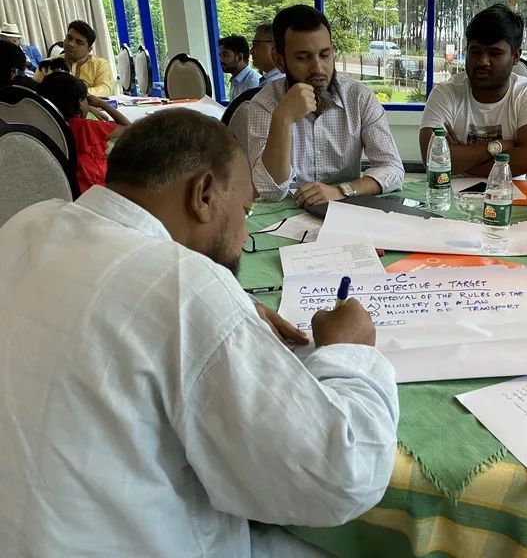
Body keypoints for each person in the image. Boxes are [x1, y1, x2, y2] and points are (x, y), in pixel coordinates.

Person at [0, 109, 399, 557]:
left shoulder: (28, 224)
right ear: (204, 194)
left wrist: (230, 308)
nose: (244, 234)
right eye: (245, 211)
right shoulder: (184, 288)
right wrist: (349, 352)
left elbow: (103, 298)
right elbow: (342, 478)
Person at [249, 4, 404, 206]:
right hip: (284, 215)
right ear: (279, 61)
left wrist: (342, 190)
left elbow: (392, 168)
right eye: (303, 58)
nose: (318, 68)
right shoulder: (264, 104)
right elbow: (271, 191)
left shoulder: (359, 97)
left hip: (345, 210)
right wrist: (283, 119)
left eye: (324, 55)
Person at [419, 4, 527, 177]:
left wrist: (458, 160)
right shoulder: (445, 93)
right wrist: (499, 146)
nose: (482, 61)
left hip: (509, 190)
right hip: (451, 191)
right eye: (475, 51)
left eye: (495, 53)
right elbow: (431, 160)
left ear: (516, 56)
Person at [37, 72, 131, 193]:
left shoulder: (50, 124)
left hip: (68, 188)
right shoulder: (86, 127)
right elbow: (130, 129)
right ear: (79, 102)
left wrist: (88, 107)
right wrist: (102, 104)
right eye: (86, 99)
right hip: (96, 189)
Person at [34, 20, 113, 96]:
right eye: (69, 38)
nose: (71, 44)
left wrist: (77, 94)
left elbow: (105, 89)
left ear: (89, 49)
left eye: (79, 42)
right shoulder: (47, 65)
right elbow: (34, 91)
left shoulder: (100, 65)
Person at [219, 35, 261, 100]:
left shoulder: (253, 82)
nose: (221, 60)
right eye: (220, 56)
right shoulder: (235, 80)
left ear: (240, 57)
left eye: (225, 55)